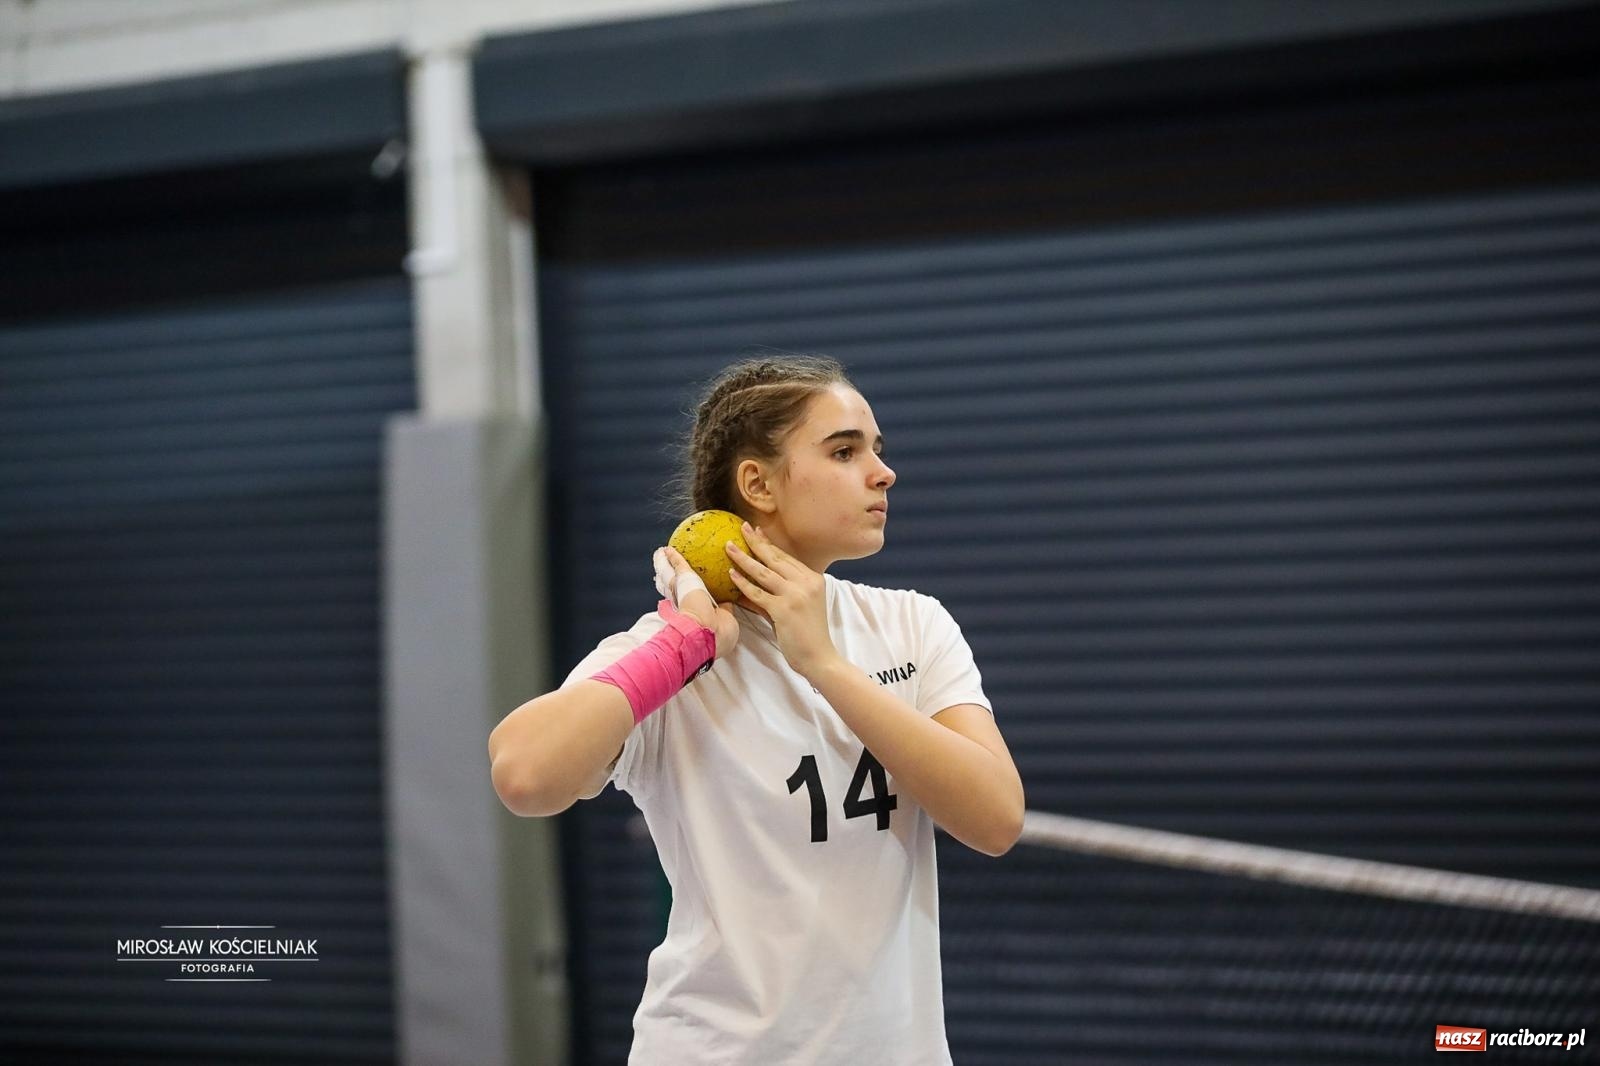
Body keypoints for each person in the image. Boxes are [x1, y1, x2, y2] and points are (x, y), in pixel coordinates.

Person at [488, 355, 1025, 1065]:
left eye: (878, 450)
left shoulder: (912, 626)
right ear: (757, 484)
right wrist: (685, 644)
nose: (882, 472)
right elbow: (524, 774)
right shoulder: (672, 655)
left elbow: (995, 819)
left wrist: (826, 665)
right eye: (844, 450)